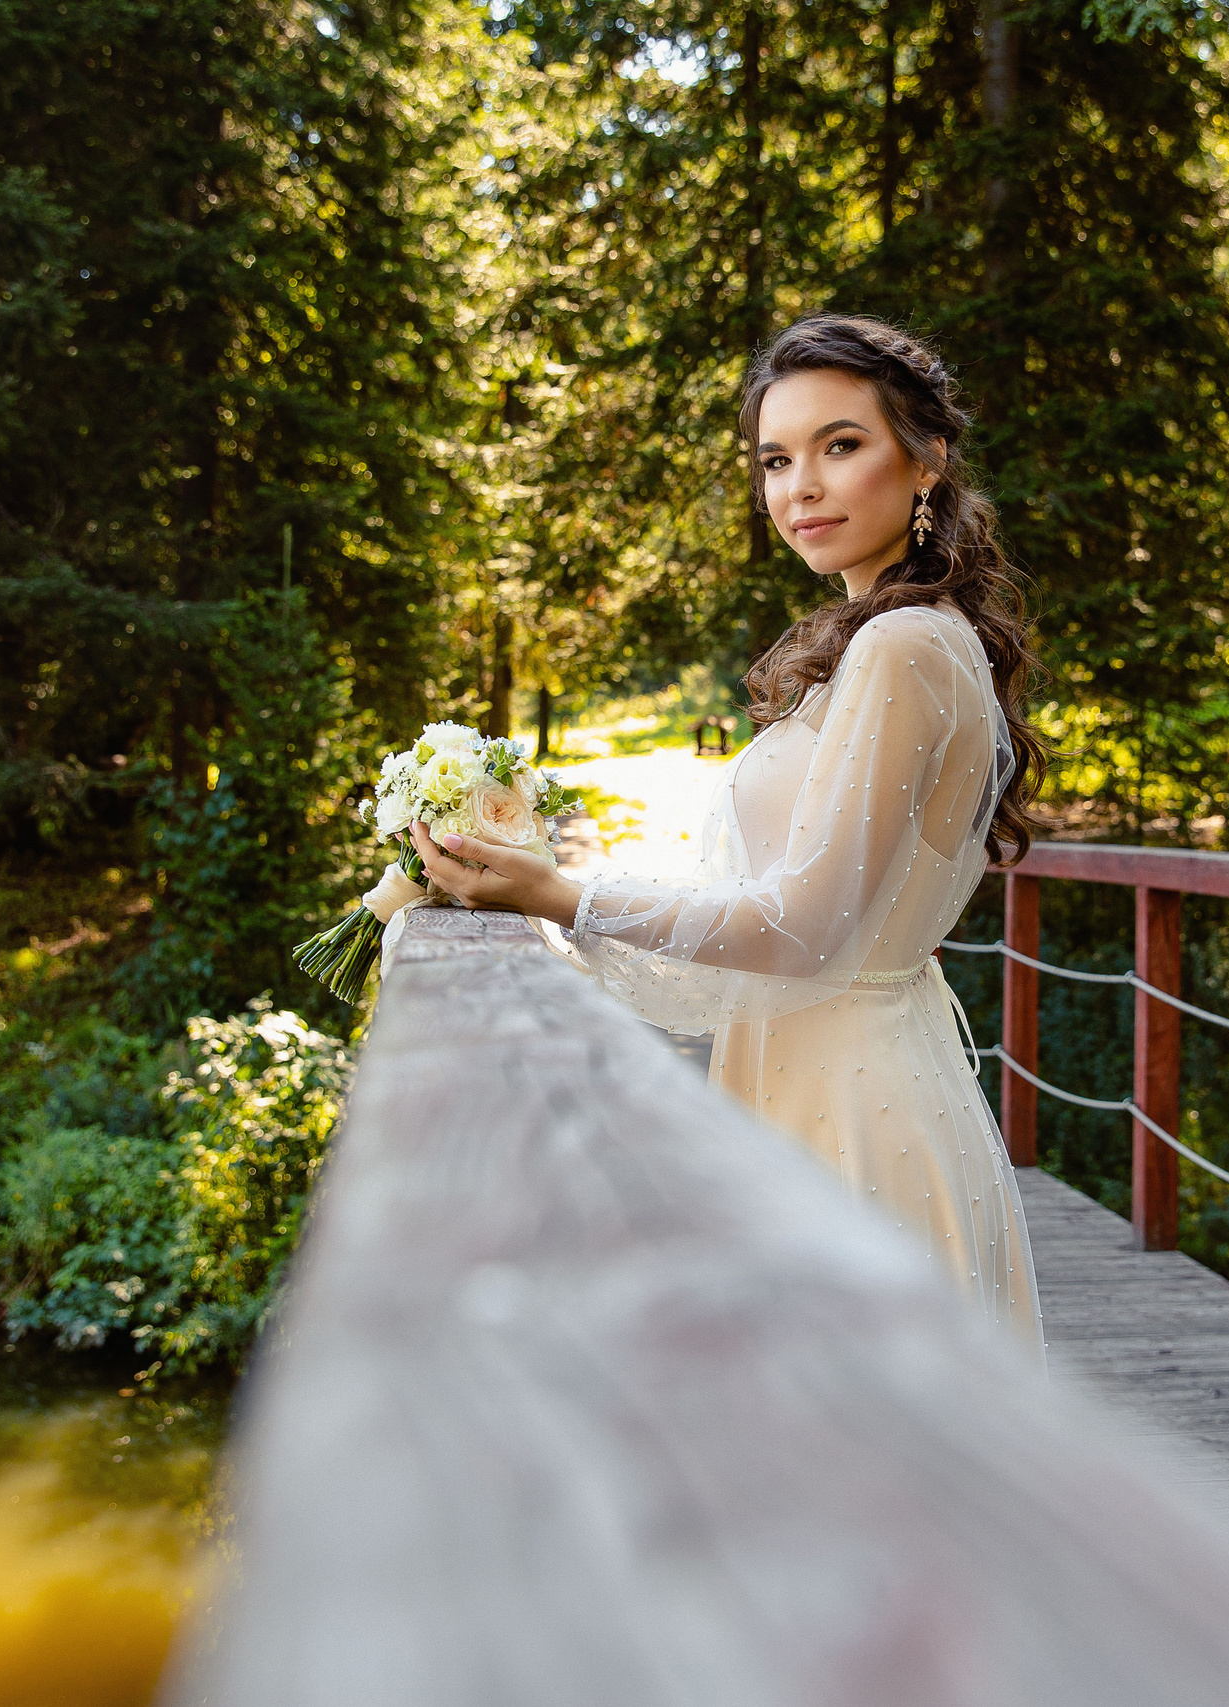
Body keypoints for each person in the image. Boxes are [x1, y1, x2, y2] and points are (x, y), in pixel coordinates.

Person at [409, 314, 1049, 1356]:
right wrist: (569, 865)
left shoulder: (901, 647)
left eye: (841, 445)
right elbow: (793, 883)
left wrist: (556, 898)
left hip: (855, 1111)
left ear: (925, 458)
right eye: (774, 458)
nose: (801, 487)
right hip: (821, 1078)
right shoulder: (895, 640)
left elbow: (800, 927)